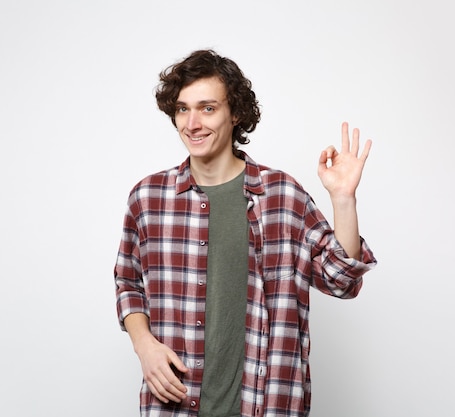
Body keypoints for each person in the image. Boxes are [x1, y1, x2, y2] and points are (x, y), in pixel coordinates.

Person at [114, 49, 377, 417]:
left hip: (265, 403)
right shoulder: (148, 198)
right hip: (173, 406)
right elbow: (128, 282)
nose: (192, 123)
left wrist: (344, 199)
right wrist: (145, 346)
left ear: (236, 112)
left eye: (208, 108)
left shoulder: (282, 196)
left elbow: (341, 282)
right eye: (182, 109)